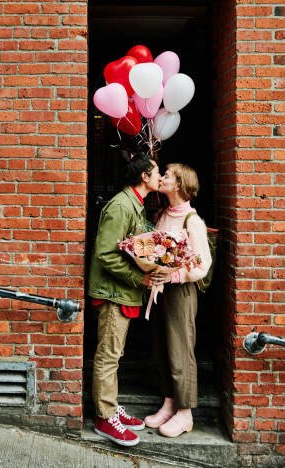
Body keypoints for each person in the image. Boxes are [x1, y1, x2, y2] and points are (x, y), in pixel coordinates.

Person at [88, 152, 161, 447]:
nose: (160, 176)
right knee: (108, 355)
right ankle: (104, 418)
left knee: (114, 355)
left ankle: (110, 404)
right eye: (157, 172)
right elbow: (105, 254)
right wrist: (139, 278)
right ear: (144, 176)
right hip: (113, 293)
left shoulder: (135, 204)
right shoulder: (121, 205)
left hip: (121, 292)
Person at [143, 163, 212, 438]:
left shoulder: (191, 221)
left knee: (181, 348)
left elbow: (202, 264)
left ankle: (185, 413)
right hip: (161, 291)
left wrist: (175, 277)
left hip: (181, 292)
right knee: (163, 347)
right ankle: (169, 402)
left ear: (180, 185)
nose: (162, 178)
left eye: (168, 176)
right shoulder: (164, 214)